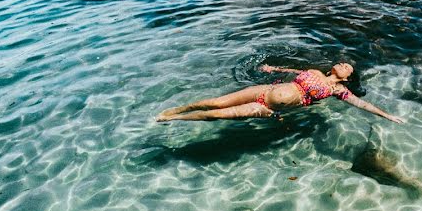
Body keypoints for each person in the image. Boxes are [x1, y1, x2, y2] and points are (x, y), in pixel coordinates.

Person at [156, 63, 404, 123]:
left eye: (346, 66)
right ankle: (180, 108)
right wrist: (273, 68)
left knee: (217, 115)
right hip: (264, 90)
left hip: (267, 107)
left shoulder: (337, 89)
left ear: (347, 76)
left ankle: (173, 118)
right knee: (214, 102)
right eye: (341, 62)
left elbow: (361, 105)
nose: (341, 63)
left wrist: (388, 115)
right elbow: (293, 70)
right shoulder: (315, 71)